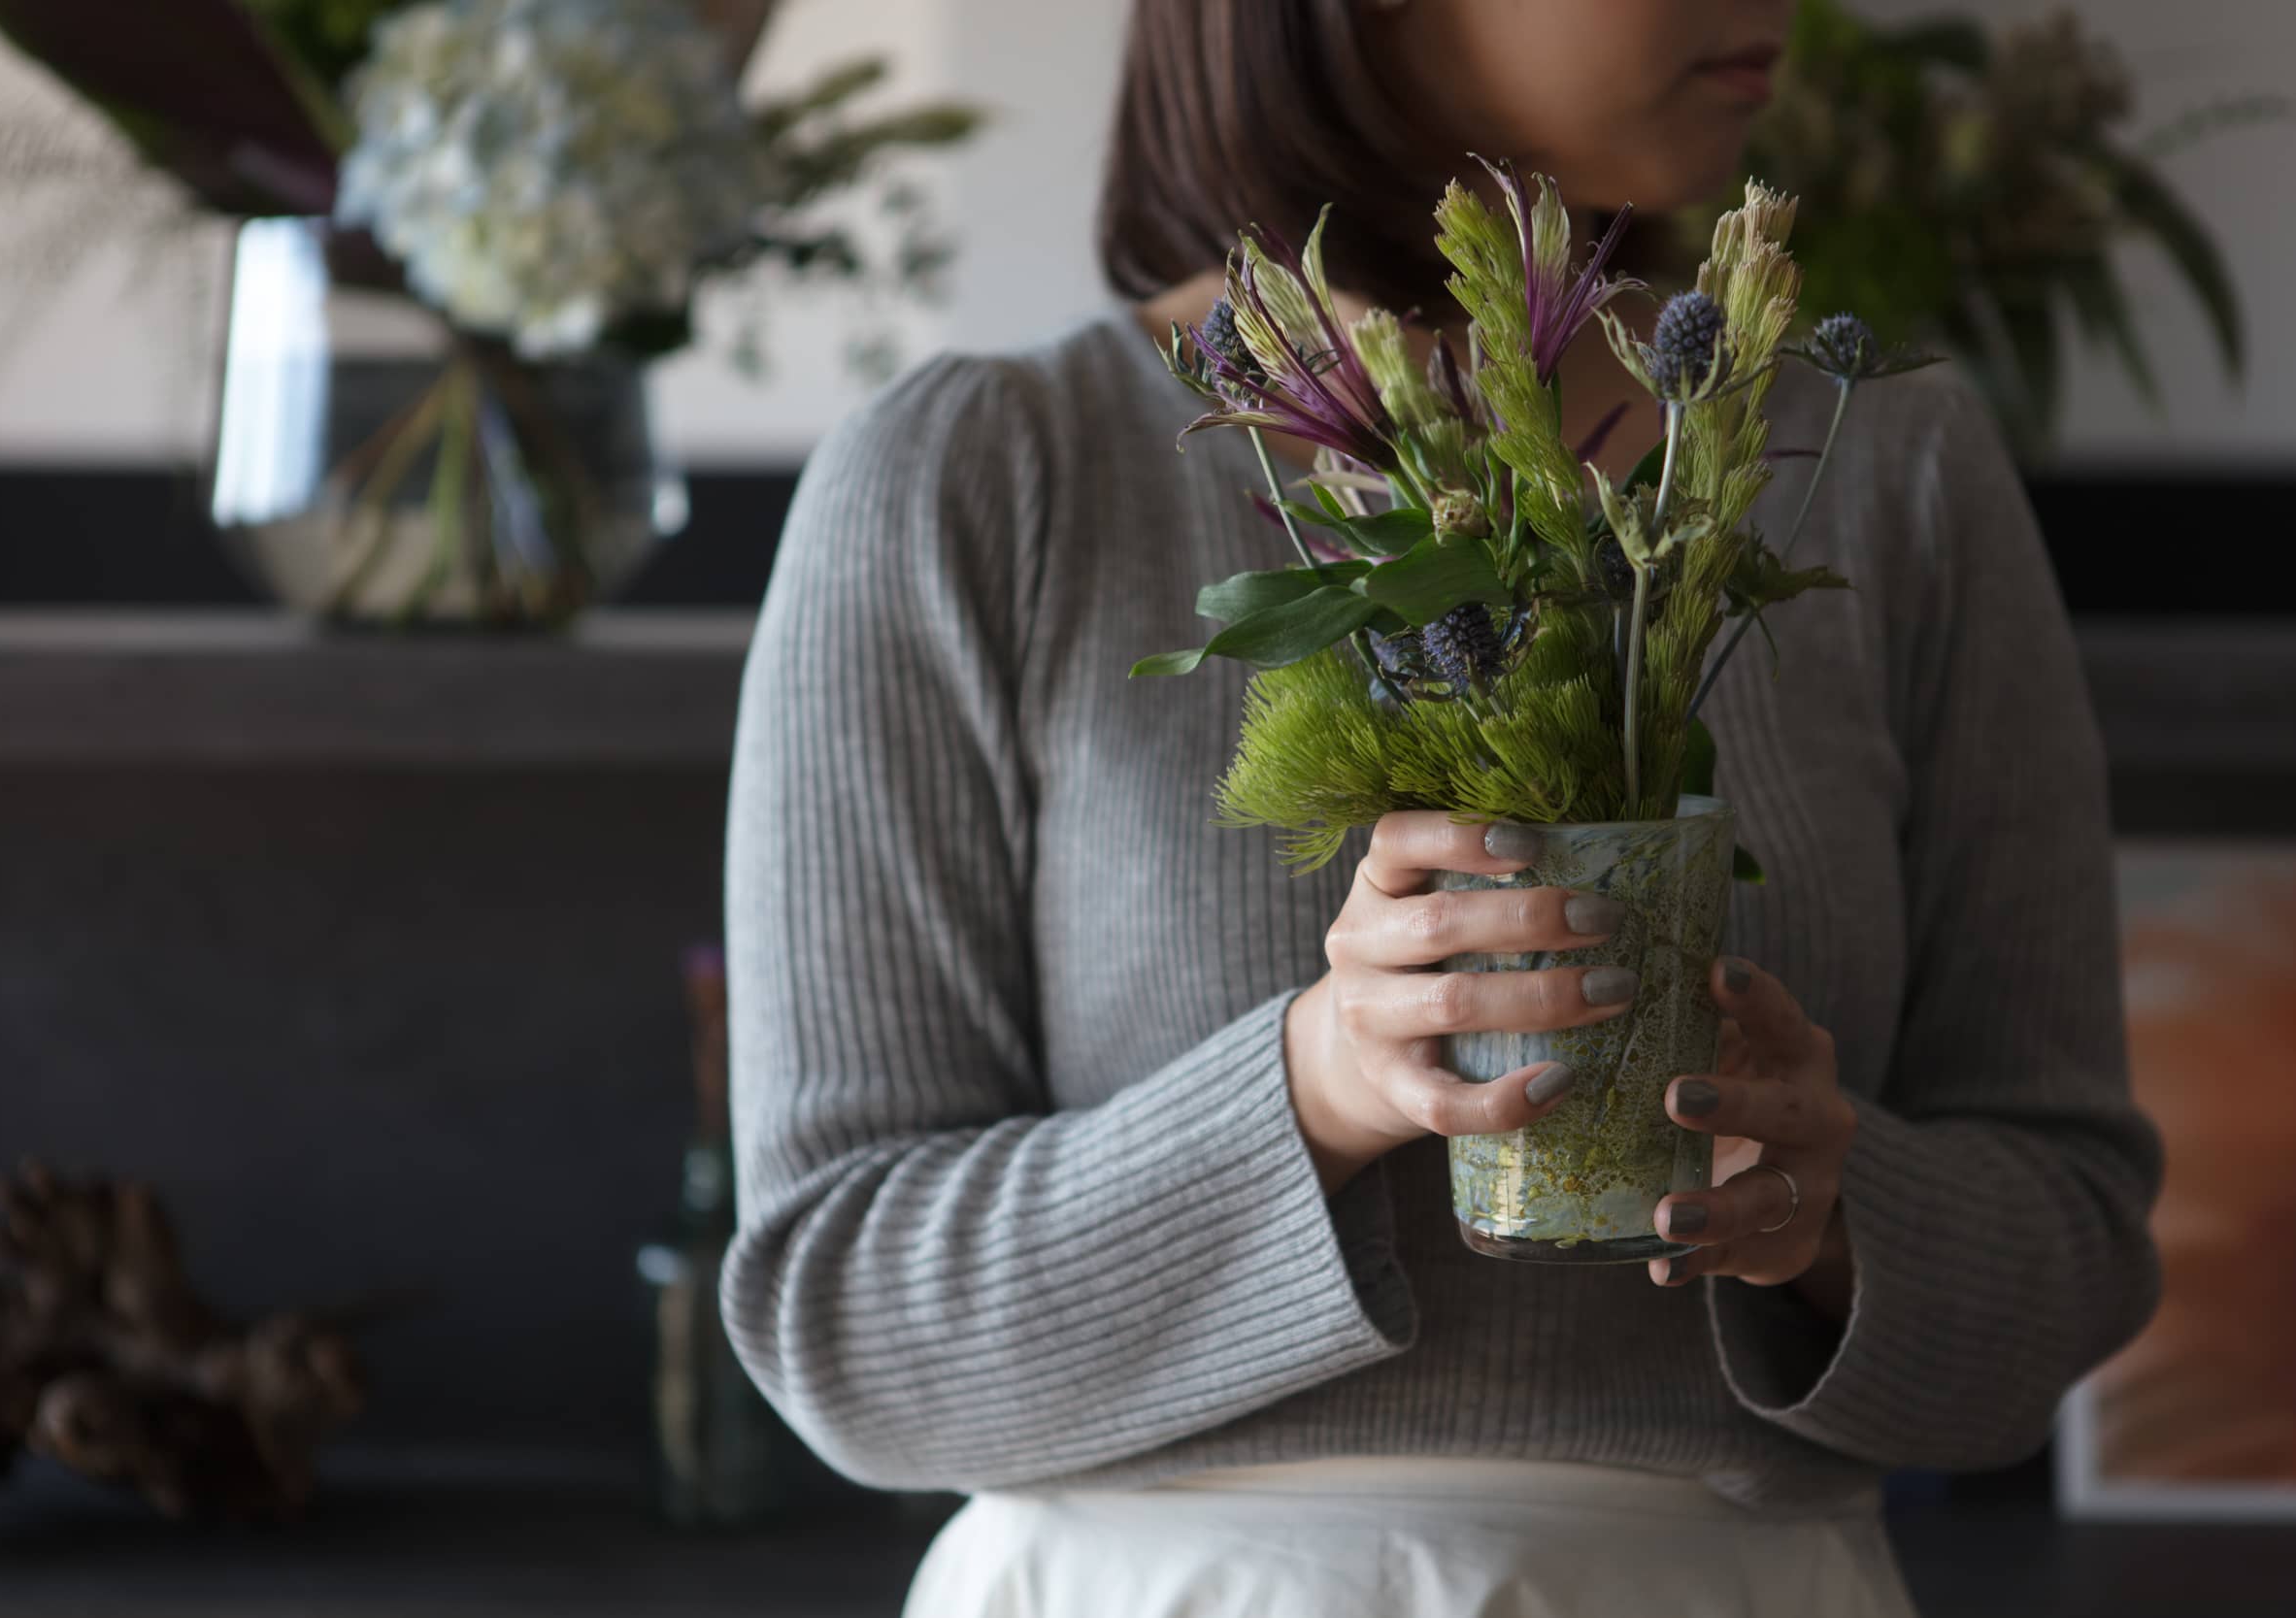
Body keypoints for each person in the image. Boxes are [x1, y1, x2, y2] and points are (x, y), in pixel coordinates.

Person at [719, 1, 2164, 1612]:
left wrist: (1833, 1219)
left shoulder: (1892, 471)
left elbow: (2076, 1250)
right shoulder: (981, 483)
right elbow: (841, 1325)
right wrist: (1322, 1081)